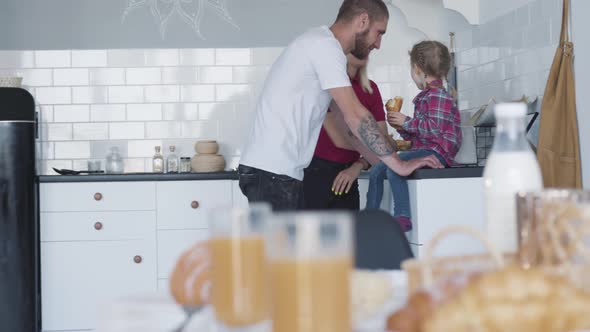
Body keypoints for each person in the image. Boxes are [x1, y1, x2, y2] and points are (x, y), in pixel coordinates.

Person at [238, 0, 442, 211]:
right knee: (283, 245)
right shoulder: (325, 46)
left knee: (294, 244)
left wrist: (386, 163)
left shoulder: (320, 45)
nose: (378, 44)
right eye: (379, 32)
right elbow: (356, 116)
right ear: (363, 20)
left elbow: (347, 125)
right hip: (272, 173)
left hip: (274, 172)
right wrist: (400, 165)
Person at [366, 40, 463, 231]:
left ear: (418, 69)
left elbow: (433, 129)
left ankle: (403, 215)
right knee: (378, 170)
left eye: (411, 69)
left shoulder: (438, 96)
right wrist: (402, 127)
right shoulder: (429, 96)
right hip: (427, 148)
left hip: (437, 153)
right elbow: (422, 134)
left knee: (396, 167)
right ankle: (371, 216)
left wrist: (406, 122)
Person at [302, 53, 391, 210]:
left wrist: (359, 164)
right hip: (315, 174)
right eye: (356, 48)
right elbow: (341, 139)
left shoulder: (370, 88)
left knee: (349, 234)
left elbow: (383, 139)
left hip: (349, 175)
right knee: (312, 234)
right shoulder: (326, 87)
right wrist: (382, 150)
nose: (364, 51)